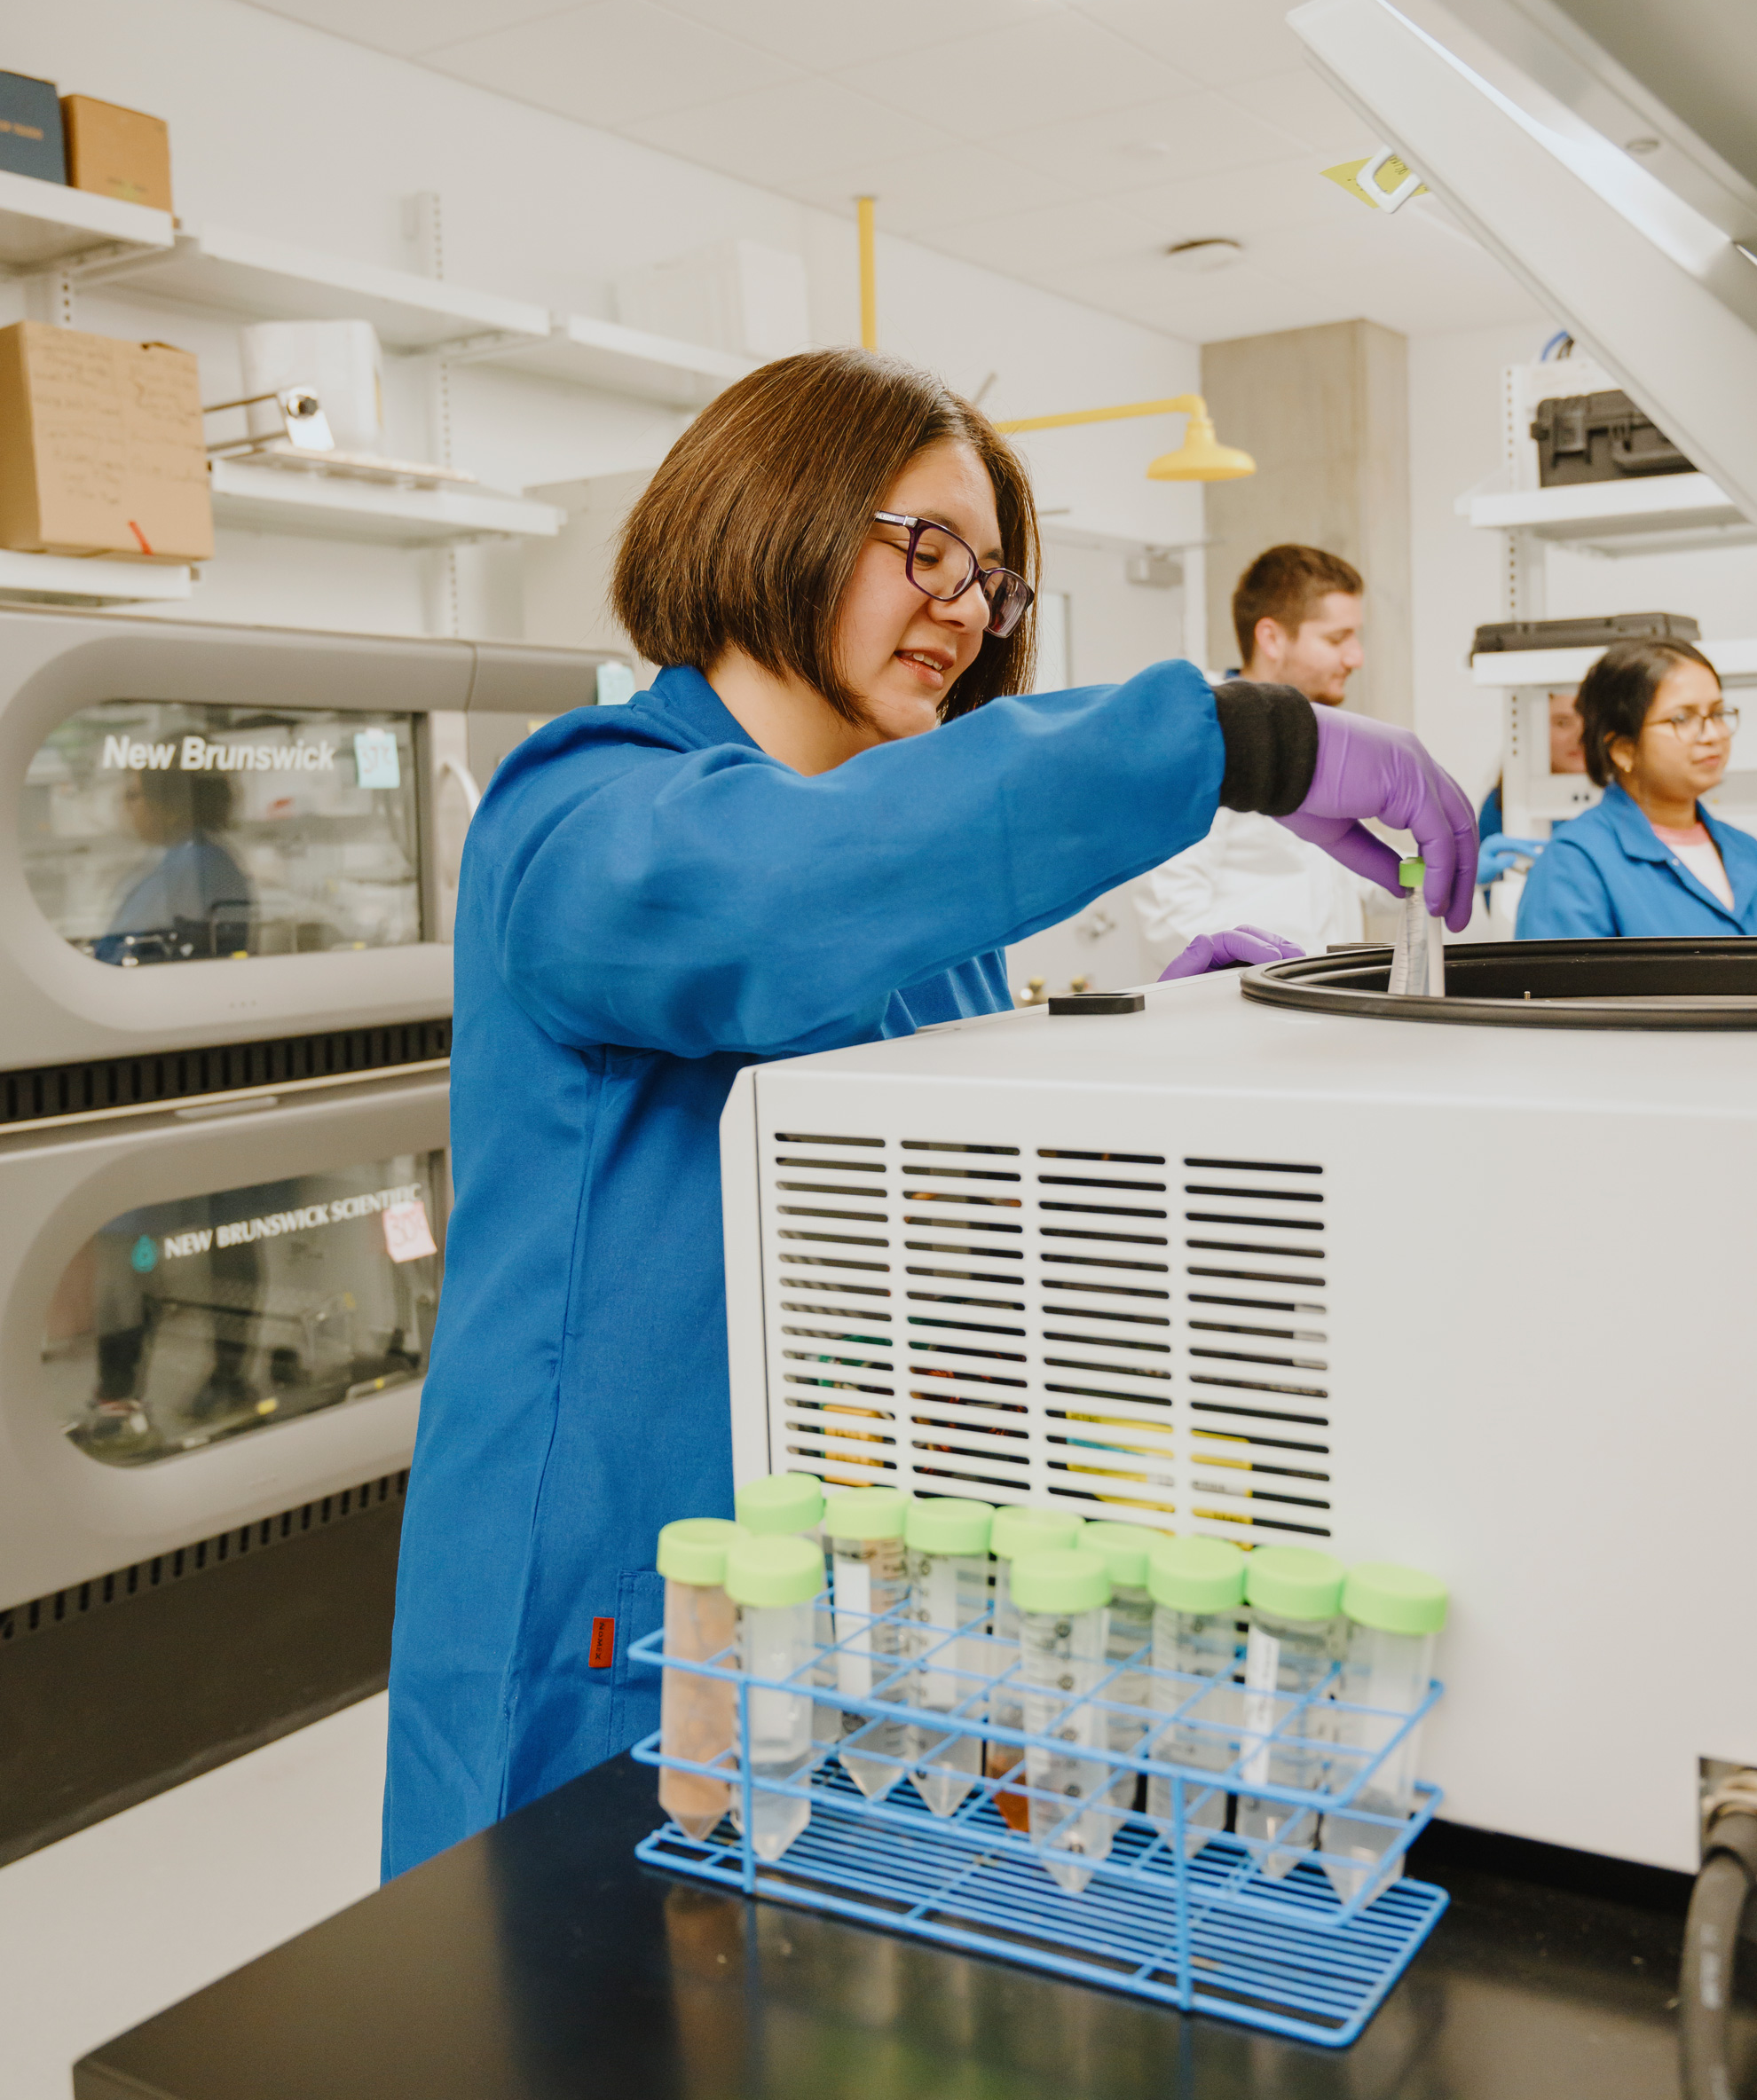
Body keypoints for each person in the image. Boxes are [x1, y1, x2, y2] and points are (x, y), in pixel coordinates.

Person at [381, 350, 1476, 1879]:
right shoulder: (584, 812)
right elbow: (769, 895)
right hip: (611, 1574)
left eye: (996, 580)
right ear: (777, 513)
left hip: (854, 1589)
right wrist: (1241, 739)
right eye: (931, 549)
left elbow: (955, 1218)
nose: (969, 606)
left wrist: (1166, 1043)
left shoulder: (928, 907)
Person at [1133, 545, 1383, 963]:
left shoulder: (1316, 733)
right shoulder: (1200, 736)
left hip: (1325, 994)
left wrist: (1429, 872)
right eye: (1337, 638)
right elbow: (1171, 917)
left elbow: (1338, 877)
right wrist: (1265, 969)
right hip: (1245, 1006)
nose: (1355, 657)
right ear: (1271, 638)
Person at [1516, 636, 1757, 937]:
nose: (1713, 735)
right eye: (1682, 719)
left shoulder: (1747, 851)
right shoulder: (1575, 865)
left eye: (1718, 714)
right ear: (1624, 749)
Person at [95, 764, 253, 964]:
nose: (126, 807)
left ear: (169, 806)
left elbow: (123, 950)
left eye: (134, 796)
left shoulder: (195, 863)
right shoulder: (189, 855)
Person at [1477, 690, 1586, 892]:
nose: (1579, 735)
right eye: (1563, 723)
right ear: (1535, 729)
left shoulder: (1627, 800)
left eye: (1591, 721)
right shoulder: (1503, 805)